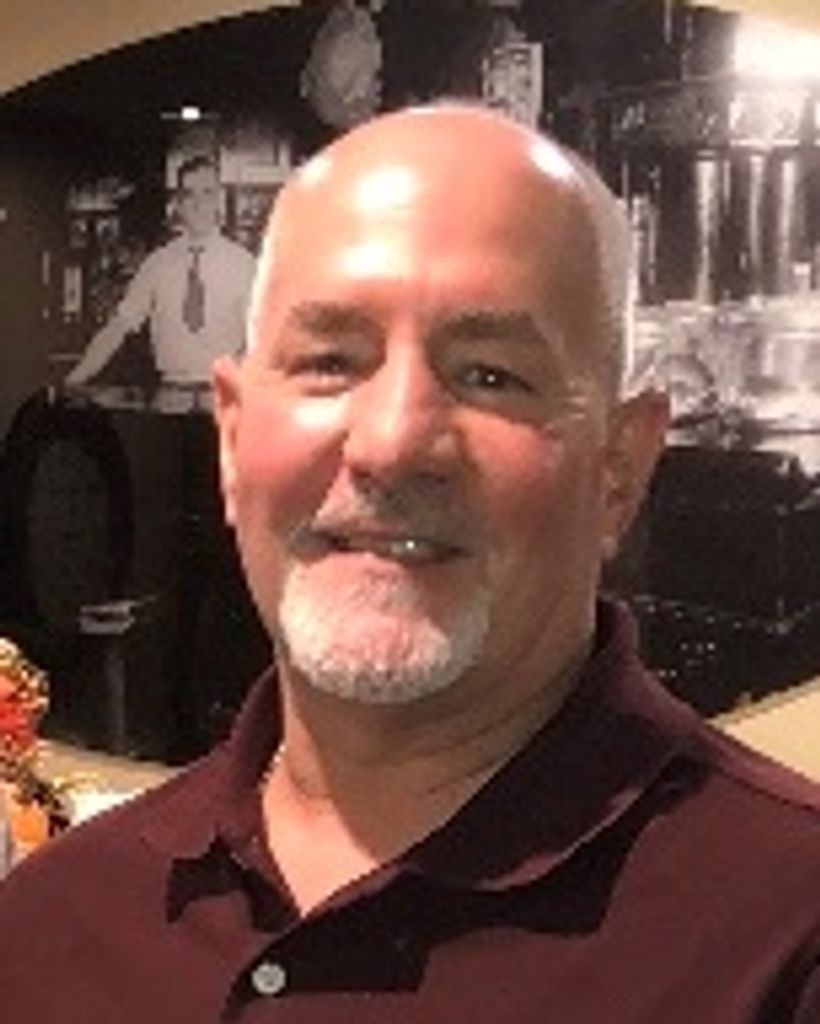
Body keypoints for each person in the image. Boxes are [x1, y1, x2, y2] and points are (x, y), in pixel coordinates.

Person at [1, 104, 819, 1022]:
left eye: (490, 375)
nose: (391, 444)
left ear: (620, 465)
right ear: (232, 441)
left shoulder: (785, 939)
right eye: (329, 361)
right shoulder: (50, 925)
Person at [65, 154, 256, 395]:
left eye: (207, 193)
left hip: (226, 395)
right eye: (189, 194)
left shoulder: (245, 265)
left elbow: (263, 339)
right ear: (178, 203)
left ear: (219, 199)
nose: (198, 204)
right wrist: (75, 378)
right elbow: (119, 326)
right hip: (170, 394)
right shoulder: (157, 265)